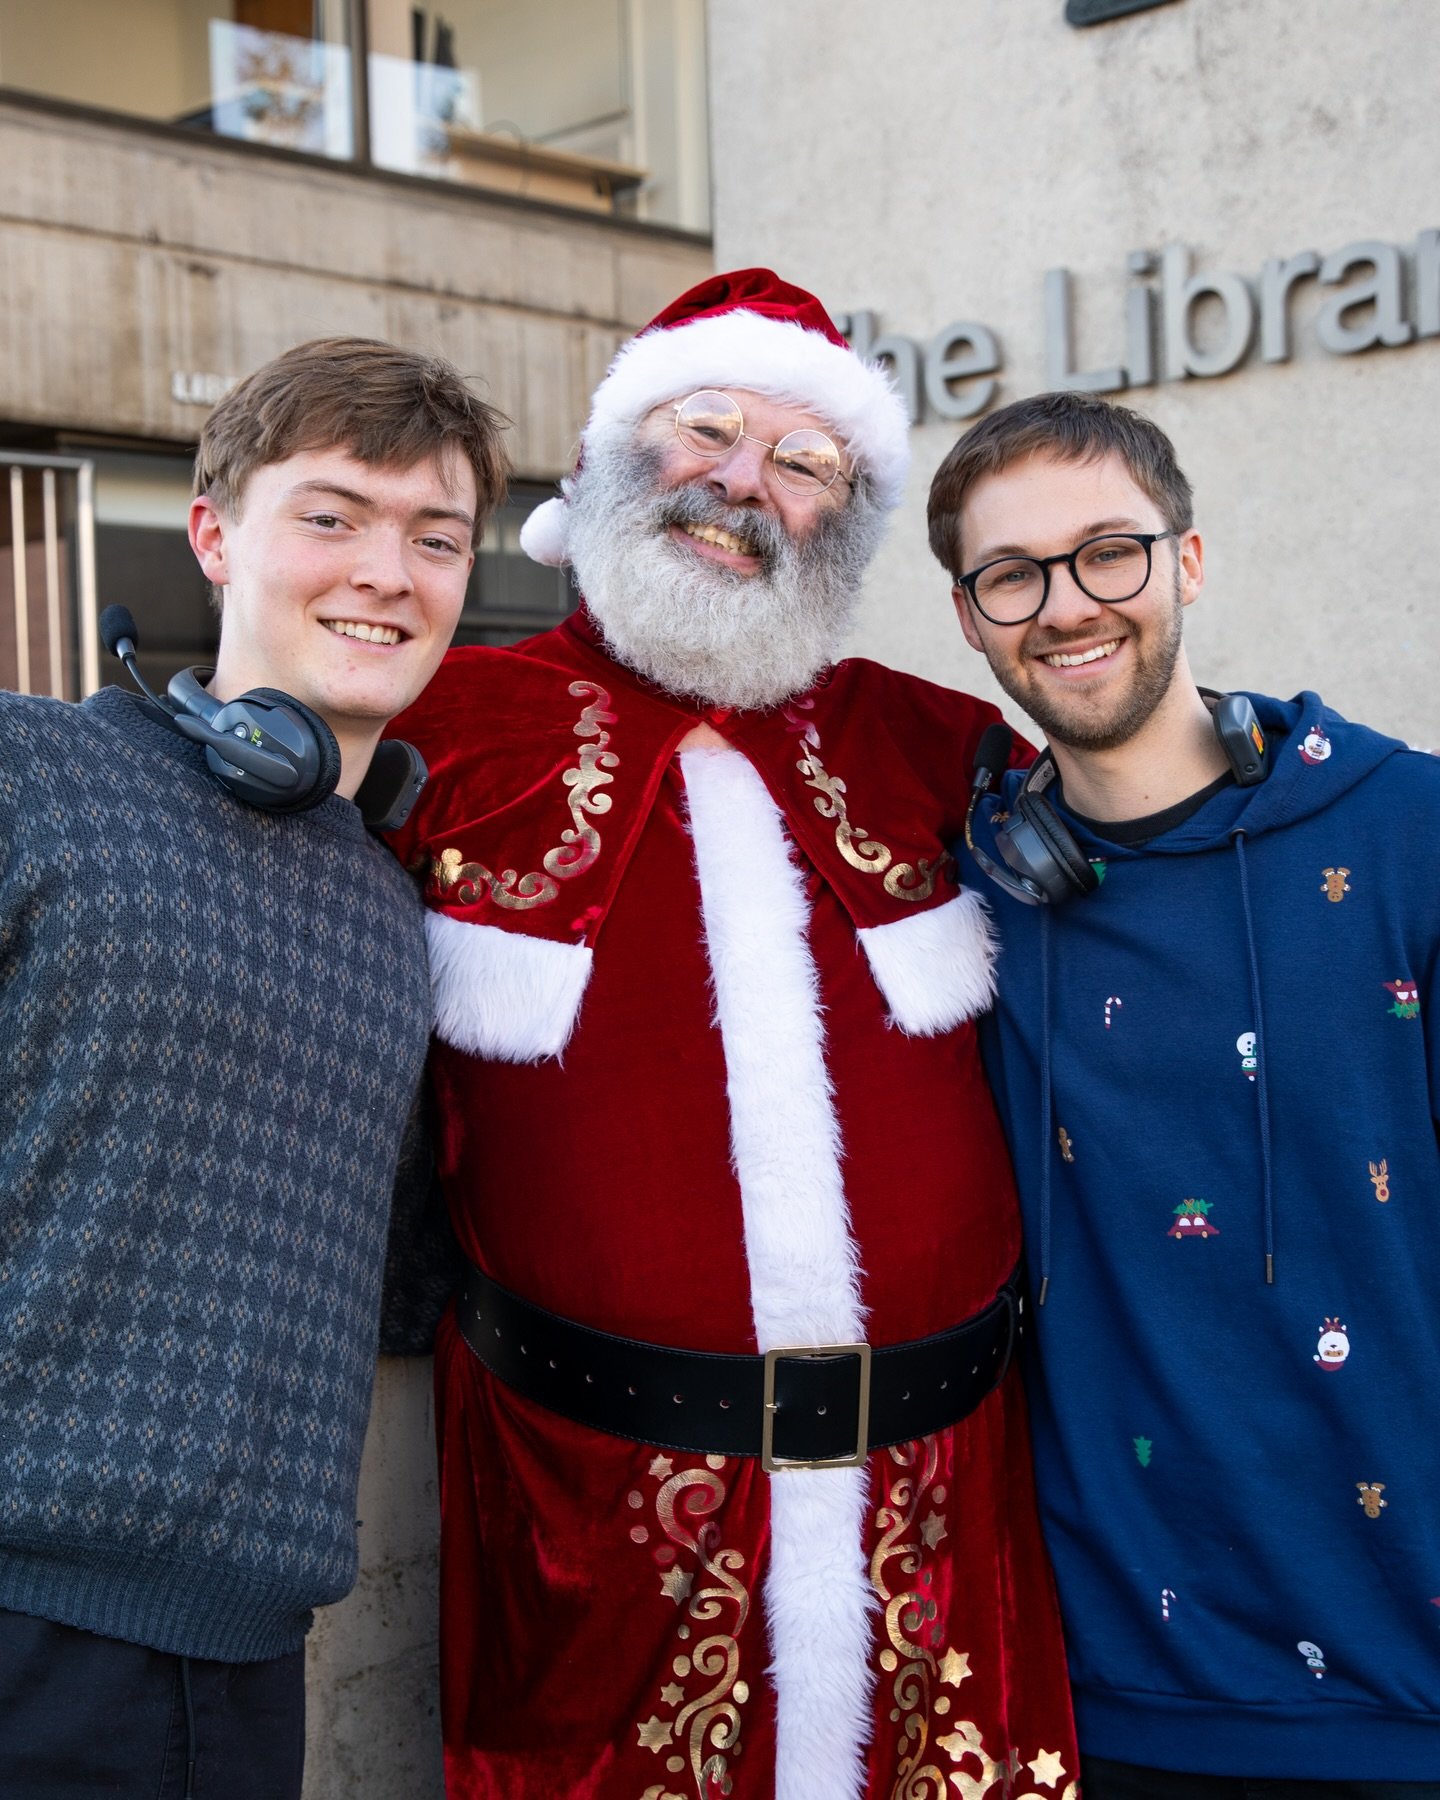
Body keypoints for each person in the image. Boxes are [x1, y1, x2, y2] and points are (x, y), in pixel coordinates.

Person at [384, 269, 1078, 1800]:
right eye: (708, 427)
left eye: (808, 461)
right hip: (593, 1519)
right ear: (614, 455)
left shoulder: (940, 747)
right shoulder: (438, 731)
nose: (743, 483)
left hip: (945, 1509)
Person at [0, 337, 509, 1799]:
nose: (385, 572)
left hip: (244, 1668)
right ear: (215, 536)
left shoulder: (394, 910)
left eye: (435, 537)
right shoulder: (31, 776)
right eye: (332, 516)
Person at [930, 390, 1440, 1799]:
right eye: (1012, 575)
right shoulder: (959, 891)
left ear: (1188, 563)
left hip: (1404, 1683)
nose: (1068, 604)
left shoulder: (1410, 838)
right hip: (1101, 1697)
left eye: (1110, 551)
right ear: (969, 620)